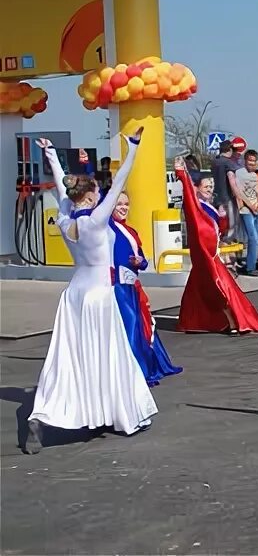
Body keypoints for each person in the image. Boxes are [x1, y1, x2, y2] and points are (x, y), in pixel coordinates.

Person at [25, 130, 157, 453]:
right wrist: (133, 150)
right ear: (88, 198)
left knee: (68, 358)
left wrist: (52, 154)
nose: (101, 194)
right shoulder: (96, 219)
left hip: (73, 295)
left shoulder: (66, 217)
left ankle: (48, 412)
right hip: (99, 295)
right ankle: (118, 414)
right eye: (97, 191)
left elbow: (61, 185)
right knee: (110, 356)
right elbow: (121, 179)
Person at [174, 157, 258, 335]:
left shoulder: (210, 207)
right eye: (206, 186)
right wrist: (182, 174)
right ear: (196, 189)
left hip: (210, 254)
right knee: (220, 286)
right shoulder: (195, 207)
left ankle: (196, 321)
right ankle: (233, 320)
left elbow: (219, 231)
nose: (210, 189)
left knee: (200, 289)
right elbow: (189, 198)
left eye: (211, 186)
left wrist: (223, 217)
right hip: (205, 256)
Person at [110, 191, 182, 385]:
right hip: (117, 287)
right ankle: (136, 371)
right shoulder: (107, 229)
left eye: (126, 204)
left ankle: (149, 365)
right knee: (131, 326)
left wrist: (140, 261)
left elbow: (142, 261)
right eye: (119, 204)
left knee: (144, 325)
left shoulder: (131, 231)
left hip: (132, 286)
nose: (124, 207)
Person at [233, 150, 258, 276]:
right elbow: (239, 193)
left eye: (254, 161)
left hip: (256, 209)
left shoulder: (255, 175)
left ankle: (253, 263)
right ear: (245, 161)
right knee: (252, 237)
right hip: (245, 210)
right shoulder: (239, 173)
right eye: (249, 160)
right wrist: (251, 206)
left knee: (257, 239)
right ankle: (250, 267)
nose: (252, 163)